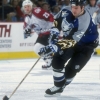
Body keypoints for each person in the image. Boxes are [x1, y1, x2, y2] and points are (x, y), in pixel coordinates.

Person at [38, 0, 99, 96]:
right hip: (70, 39)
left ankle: (62, 85)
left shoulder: (84, 21)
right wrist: (55, 33)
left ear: (82, 8)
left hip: (87, 46)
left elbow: (72, 41)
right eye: (72, 7)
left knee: (70, 71)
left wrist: (55, 46)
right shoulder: (66, 10)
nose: (73, 10)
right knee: (57, 60)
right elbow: (57, 20)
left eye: (76, 8)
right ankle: (58, 86)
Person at [22, 0, 60, 69]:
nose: (27, 8)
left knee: (41, 48)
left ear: (31, 6)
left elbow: (50, 16)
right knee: (37, 48)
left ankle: (53, 61)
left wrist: (54, 28)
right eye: (25, 7)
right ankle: (50, 61)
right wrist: (27, 32)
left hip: (50, 32)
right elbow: (26, 33)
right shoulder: (26, 18)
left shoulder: (37, 11)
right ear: (23, 8)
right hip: (42, 35)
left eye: (28, 6)